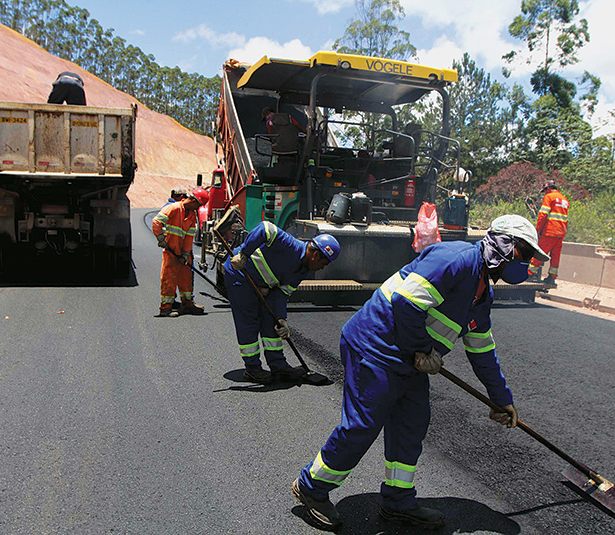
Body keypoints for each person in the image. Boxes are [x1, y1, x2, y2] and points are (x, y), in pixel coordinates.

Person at [291, 214, 549, 531]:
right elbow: (405, 303)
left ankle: (397, 502)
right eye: (525, 254)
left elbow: (482, 352)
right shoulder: (454, 259)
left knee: (412, 425)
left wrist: (501, 399)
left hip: (409, 358)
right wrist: (422, 349)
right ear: (504, 245)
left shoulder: (481, 295)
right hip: (375, 345)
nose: (527, 263)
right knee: (363, 425)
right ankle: (312, 487)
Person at [224, 222, 340, 384]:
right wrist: (244, 254)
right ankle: (252, 369)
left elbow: (281, 294)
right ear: (315, 255)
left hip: (260, 284)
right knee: (249, 322)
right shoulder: (289, 244)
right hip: (240, 274)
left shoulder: (302, 271)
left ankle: (278, 365)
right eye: (324, 263)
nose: (322, 268)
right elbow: (265, 228)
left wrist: (281, 319)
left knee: (271, 321)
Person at [152, 188, 209, 317]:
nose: (197, 208)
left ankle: (187, 304)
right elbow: (157, 222)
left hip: (182, 252)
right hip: (171, 251)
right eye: (198, 205)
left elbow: (189, 236)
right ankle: (165, 308)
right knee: (169, 278)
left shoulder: (192, 215)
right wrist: (161, 238)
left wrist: (185, 253)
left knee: (186, 277)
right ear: (192, 200)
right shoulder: (173, 208)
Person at [528, 180, 569, 287]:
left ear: (548, 189)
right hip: (561, 232)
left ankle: (530, 274)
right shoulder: (564, 199)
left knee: (540, 252)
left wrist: (538, 230)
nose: (545, 193)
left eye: (545, 191)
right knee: (555, 255)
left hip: (550, 231)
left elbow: (543, 215)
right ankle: (552, 277)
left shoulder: (549, 197)